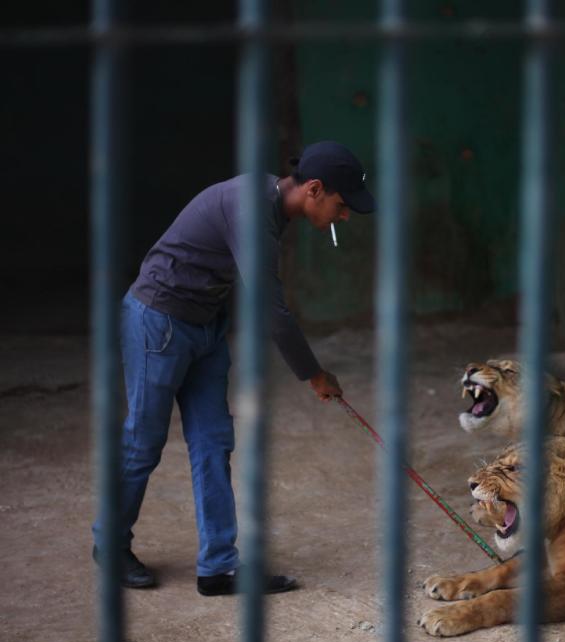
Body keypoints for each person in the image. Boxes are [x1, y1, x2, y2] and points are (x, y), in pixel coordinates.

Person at [92, 141, 376, 596]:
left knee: (212, 443)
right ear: (315, 189)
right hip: (157, 323)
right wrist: (314, 375)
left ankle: (218, 568)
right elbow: (272, 313)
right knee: (143, 442)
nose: (344, 217)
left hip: (204, 326)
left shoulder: (272, 207)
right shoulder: (250, 208)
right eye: (342, 206)